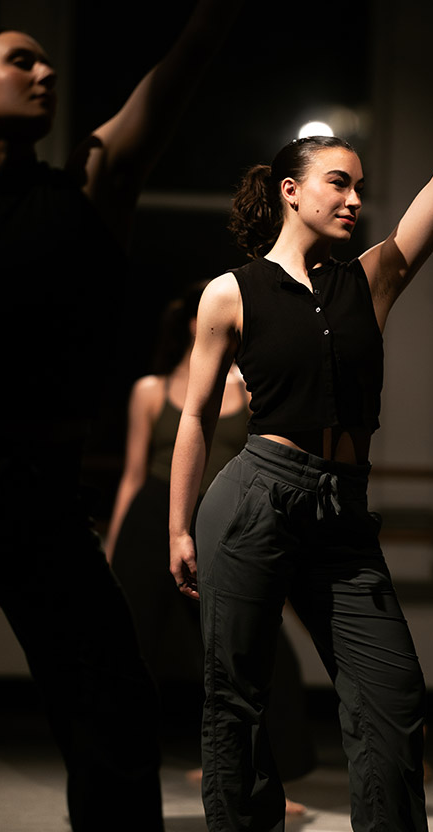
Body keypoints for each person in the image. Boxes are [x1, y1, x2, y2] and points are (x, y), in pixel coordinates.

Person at [170, 8, 433, 831]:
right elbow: (192, 419)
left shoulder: (370, 281)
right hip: (254, 496)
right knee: (237, 703)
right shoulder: (232, 292)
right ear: (291, 191)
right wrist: (177, 526)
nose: (356, 198)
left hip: (342, 508)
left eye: (361, 187)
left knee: (391, 700)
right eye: (338, 183)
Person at [0, 0, 270, 832]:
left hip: (36, 491)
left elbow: (187, 55)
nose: (46, 68)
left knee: (110, 713)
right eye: (17, 58)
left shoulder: (90, 186)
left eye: (45, 56)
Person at [106, 282, 314, 813]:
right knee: (128, 651)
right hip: (152, 516)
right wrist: (111, 544)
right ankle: (118, 778)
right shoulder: (150, 389)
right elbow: (132, 475)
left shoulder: (246, 386)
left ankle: (265, 772)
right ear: (191, 322)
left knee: (251, 646)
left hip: (219, 518)